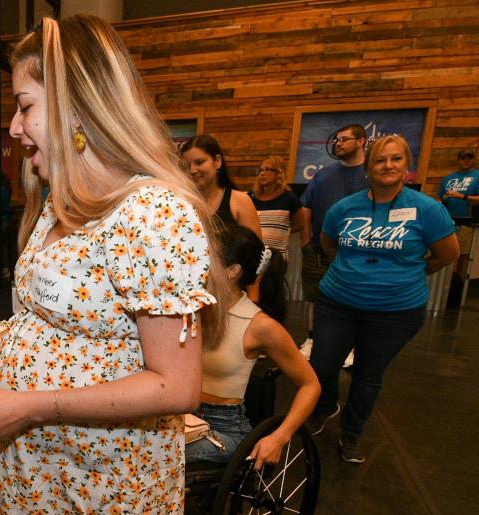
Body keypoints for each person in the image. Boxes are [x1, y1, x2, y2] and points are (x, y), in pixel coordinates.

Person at [0, 15, 227, 515]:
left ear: (78, 108)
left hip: (100, 483)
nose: (15, 127)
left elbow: (176, 385)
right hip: (37, 470)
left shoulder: (152, 214)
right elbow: (59, 319)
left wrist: (30, 405)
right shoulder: (62, 200)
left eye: (25, 106)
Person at [304, 135, 458, 463]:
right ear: (368, 168)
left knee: (367, 376)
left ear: (407, 167)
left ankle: (352, 433)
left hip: (395, 312)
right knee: (322, 365)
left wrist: (408, 273)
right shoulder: (344, 208)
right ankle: (326, 406)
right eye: (379, 160)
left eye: (396, 159)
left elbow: (447, 255)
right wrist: (352, 272)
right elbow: (329, 245)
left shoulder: (427, 210)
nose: (388, 166)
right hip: (337, 303)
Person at [186, 226, 319, 468]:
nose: (195, 261)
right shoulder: (191, 306)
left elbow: (311, 385)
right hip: (182, 416)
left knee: (158, 454)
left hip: (222, 429)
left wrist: (279, 437)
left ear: (232, 271)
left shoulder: (259, 325)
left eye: (205, 256)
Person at [298, 124, 368, 360]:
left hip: (355, 254)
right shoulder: (323, 174)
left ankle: (349, 347)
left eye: (345, 139)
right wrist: (305, 239)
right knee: (315, 297)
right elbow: (306, 206)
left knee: (353, 299)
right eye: (337, 140)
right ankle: (312, 339)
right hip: (317, 251)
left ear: (361, 141)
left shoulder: (370, 175)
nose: (338, 143)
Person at [181, 134, 262, 239]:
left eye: (199, 162)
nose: (192, 170)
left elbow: (256, 250)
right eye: (186, 166)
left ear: (217, 161)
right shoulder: (182, 203)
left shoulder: (240, 201)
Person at [250, 155, 304, 258]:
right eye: (260, 170)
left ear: (279, 173)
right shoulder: (251, 197)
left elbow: (300, 224)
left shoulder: (289, 197)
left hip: (277, 257)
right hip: (253, 254)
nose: (262, 173)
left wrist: (281, 232)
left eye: (267, 169)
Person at [438, 148, 479, 219]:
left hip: (471, 222)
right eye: (463, 158)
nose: (466, 161)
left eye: (469, 158)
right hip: (449, 219)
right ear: (458, 160)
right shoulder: (447, 178)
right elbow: (440, 198)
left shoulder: (477, 176)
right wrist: (444, 198)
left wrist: (462, 196)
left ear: (474, 160)